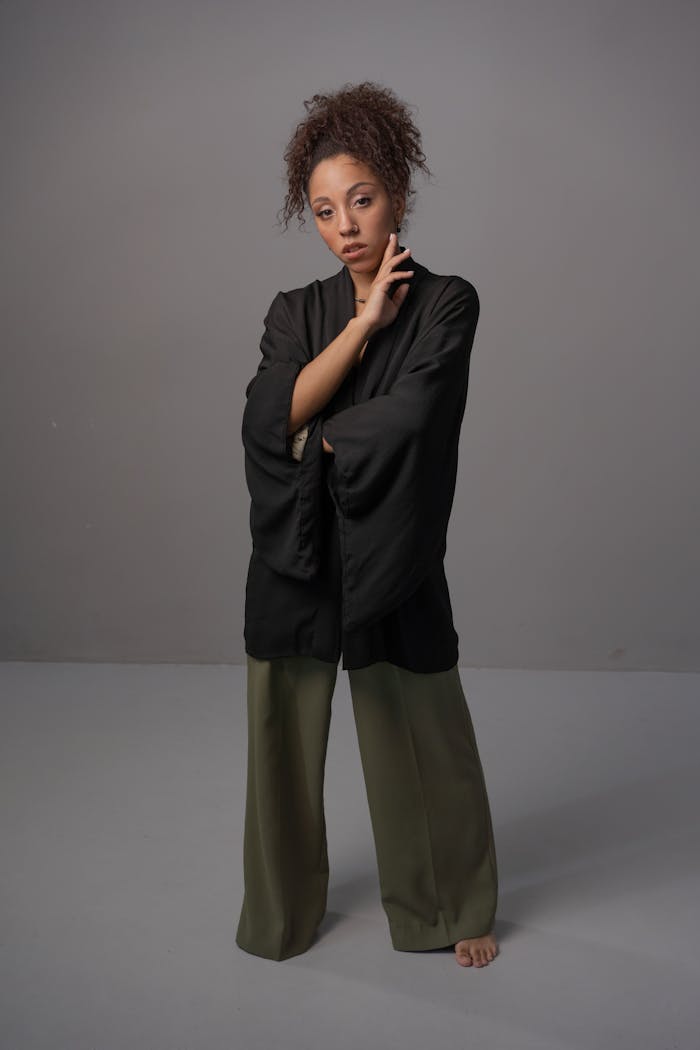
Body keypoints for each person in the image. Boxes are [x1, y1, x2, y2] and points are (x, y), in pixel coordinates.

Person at [236, 81, 499, 969]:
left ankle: (450, 905)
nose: (346, 225)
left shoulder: (448, 302)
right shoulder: (293, 312)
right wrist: (360, 328)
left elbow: (416, 415)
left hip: (393, 551)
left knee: (422, 738)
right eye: (323, 210)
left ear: (396, 193)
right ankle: (281, 916)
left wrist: (315, 431)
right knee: (278, 745)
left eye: (362, 200)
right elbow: (269, 418)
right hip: (295, 555)